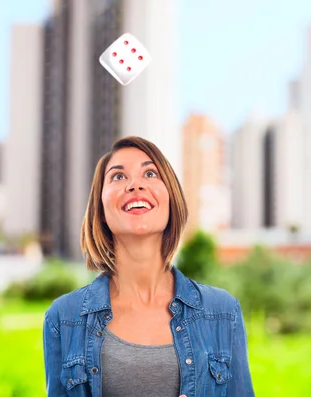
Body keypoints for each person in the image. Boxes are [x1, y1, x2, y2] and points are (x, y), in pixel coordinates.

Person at [43, 136, 255, 397]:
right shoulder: (63, 318)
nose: (135, 185)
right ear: (100, 206)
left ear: (171, 197)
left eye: (150, 173)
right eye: (118, 177)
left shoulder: (223, 312)